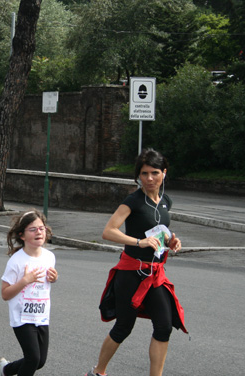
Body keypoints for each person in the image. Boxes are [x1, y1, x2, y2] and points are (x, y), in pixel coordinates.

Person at [85, 148, 186, 376]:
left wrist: (172, 240)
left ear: (164, 173)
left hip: (155, 275)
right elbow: (108, 231)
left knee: (163, 326)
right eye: (144, 173)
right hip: (131, 274)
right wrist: (139, 242)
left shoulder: (165, 201)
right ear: (138, 176)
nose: (149, 178)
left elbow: (162, 231)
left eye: (154, 173)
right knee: (123, 327)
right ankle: (98, 371)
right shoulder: (133, 201)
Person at [0, 210, 58, 376]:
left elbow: (47, 281)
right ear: (22, 235)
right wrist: (24, 281)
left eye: (41, 228)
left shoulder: (49, 257)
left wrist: (53, 278)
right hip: (22, 317)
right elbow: (5, 294)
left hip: (42, 315)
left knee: (40, 361)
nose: (39, 232)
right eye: (33, 229)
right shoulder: (16, 261)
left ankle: (6, 370)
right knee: (32, 358)